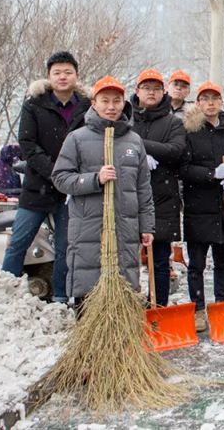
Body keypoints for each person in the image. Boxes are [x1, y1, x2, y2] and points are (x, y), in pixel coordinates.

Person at [52, 76, 154, 302]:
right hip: (88, 229)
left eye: (116, 101)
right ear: (94, 103)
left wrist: (147, 225)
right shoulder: (77, 138)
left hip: (125, 228)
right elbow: (60, 178)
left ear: (124, 103)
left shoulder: (134, 141)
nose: (111, 106)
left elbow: (143, 188)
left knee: (124, 291)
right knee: (88, 291)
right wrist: (94, 179)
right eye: (105, 101)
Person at [2, 51, 90, 303]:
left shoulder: (87, 106)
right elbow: (28, 144)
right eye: (57, 72)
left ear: (76, 75)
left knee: (66, 247)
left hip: (71, 190)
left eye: (68, 72)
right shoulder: (34, 103)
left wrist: (70, 178)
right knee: (19, 240)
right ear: (49, 76)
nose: (62, 77)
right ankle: (5, 295)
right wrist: (55, 173)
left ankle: (61, 297)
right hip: (37, 186)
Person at [180, 81, 224, 331]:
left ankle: (221, 304)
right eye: (205, 98)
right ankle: (198, 308)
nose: (210, 103)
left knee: (223, 260)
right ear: (198, 103)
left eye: (214, 98)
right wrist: (212, 174)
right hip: (199, 208)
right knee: (196, 264)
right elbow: (183, 168)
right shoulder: (189, 132)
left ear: (221, 102)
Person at [130, 68, 186, 307]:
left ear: (164, 92)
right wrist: (140, 154)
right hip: (129, 196)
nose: (151, 93)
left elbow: (176, 151)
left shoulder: (173, 122)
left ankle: (159, 305)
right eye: (146, 88)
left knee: (160, 259)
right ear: (137, 91)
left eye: (156, 89)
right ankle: (128, 305)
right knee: (126, 258)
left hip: (162, 197)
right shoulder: (126, 119)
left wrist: (140, 146)